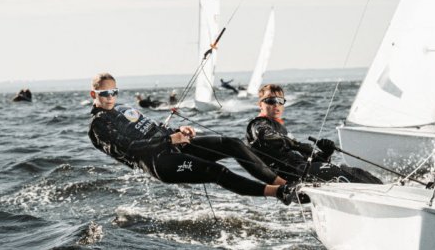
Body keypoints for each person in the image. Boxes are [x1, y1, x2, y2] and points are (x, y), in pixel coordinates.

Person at [88, 73, 306, 204]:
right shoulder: (98, 125)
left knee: (232, 144)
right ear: (94, 94)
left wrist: (178, 131)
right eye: (105, 94)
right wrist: (169, 141)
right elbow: (131, 148)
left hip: (173, 146)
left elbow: (154, 129)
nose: (110, 97)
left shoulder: (123, 108)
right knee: (216, 171)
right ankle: (280, 193)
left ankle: (284, 182)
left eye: (114, 92)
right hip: (160, 163)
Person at [246, 84, 383, 184]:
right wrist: (296, 144)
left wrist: (326, 153)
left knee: (357, 173)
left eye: (280, 101)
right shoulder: (257, 124)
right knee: (348, 174)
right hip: (293, 177)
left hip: (303, 172)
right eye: (270, 101)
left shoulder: (280, 129)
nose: (276, 104)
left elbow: (310, 160)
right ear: (260, 104)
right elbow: (263, 135)